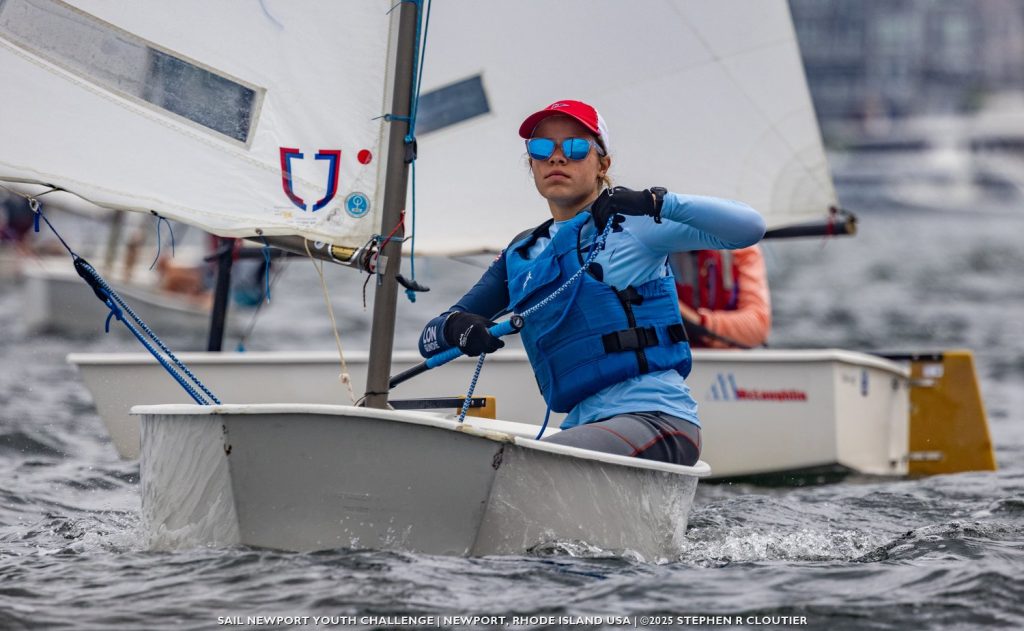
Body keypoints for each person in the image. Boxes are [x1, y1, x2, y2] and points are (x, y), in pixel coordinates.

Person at [417, 100, 765, 466]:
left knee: (530, 465)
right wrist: (456, 327)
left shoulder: (636, 226)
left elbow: (749, 227)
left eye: (574, 147)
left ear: (603, 164)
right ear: (532, 164)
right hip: (585, 425)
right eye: (541, 148)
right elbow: (429, 339)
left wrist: (655, 202)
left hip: (657, 418)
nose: (557, 157)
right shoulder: (521, 254)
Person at [669, 244, 771, 348]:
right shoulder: (661, 251)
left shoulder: (743, 247)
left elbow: (757, 326)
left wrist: (699, 321)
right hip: (673, 353)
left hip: (722, 356)